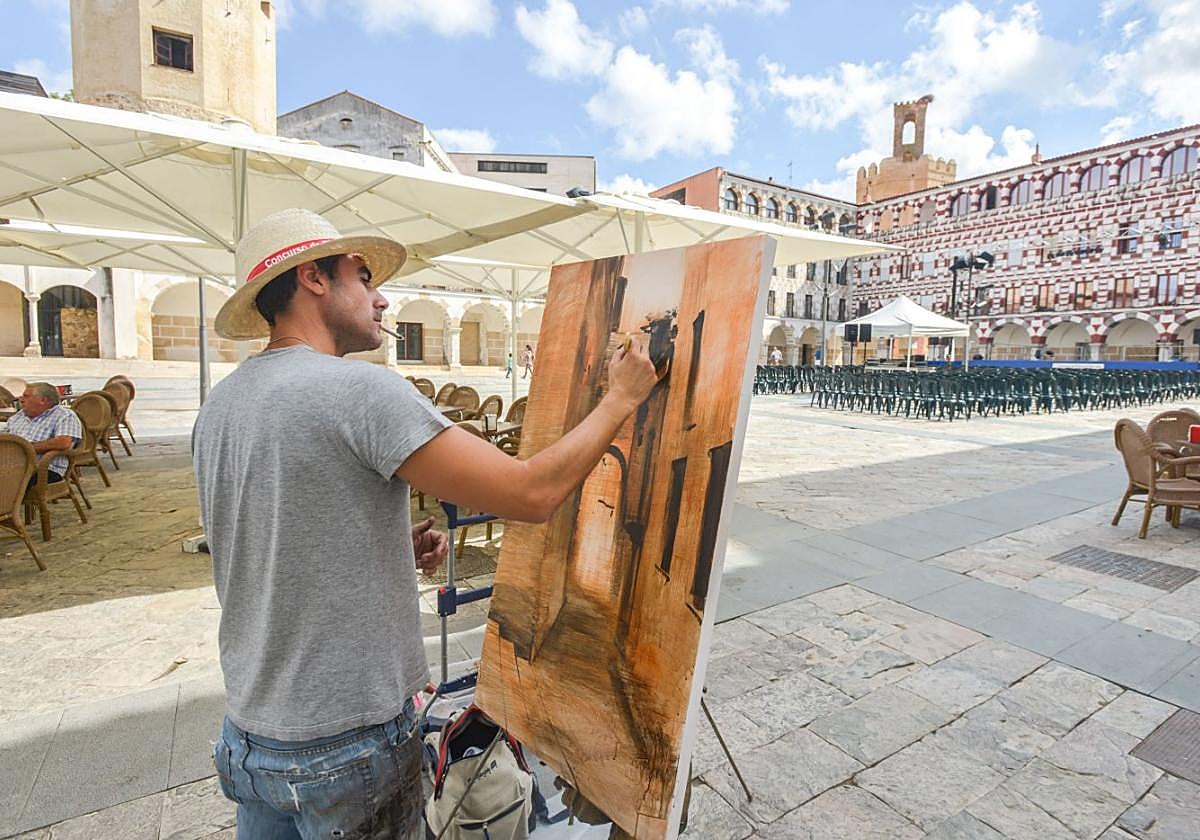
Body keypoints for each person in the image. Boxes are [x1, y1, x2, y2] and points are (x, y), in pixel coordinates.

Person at [193, 208, 657, 840]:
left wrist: (377, 543)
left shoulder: (222, 404)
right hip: (346, 744)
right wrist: (621, 398)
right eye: (363, 275)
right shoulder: (360, 391)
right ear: (313, 278)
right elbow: (532, 493)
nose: (382, 298)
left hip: (251, 736)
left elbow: (261, 539)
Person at [7, 382, 82, 489]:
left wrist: (24, 448)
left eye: (26, 396)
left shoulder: (64, 415)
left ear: (43, 400)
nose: (21, 399)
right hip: (12, 466)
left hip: (44, 469)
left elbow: (63, 443)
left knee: (7, 483)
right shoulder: (18, 417)